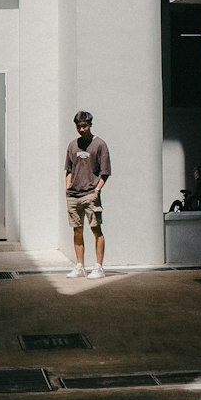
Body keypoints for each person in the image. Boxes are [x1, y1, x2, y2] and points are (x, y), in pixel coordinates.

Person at [64, 110, 111, 278]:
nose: (81, 129)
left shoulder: (100, 145)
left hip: (91, 193)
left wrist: (97, 190)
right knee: (77, 230)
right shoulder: (72, 145)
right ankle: (80, 266)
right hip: (73, 195)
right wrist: (68, 188)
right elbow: (68, 169)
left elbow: (105, 172)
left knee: (96, 229)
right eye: (78, 126)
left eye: (84, 126)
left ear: (90, 124)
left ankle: (98, 267)